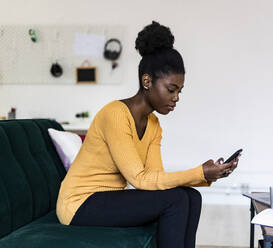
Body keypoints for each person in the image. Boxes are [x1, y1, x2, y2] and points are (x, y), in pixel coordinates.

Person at [56, 21, 240, 248]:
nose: (176, 98)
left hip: (108, 199)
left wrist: (206, 176)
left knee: (191, 197)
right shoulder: (115, 115)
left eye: (179, 91)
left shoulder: (153, 124)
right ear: (147, 81)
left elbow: (155, 178)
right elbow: (139, 179)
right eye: (171, 89)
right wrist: (199, 172)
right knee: (176, 200)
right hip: (79, 203)